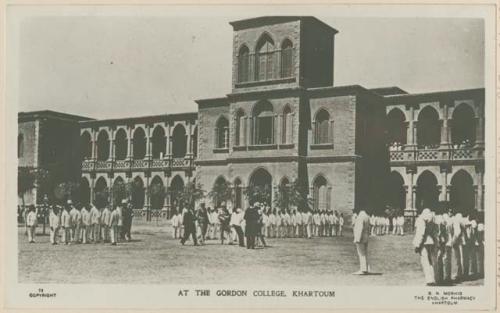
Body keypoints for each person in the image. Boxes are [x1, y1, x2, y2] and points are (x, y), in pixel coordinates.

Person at [413, 208, 438, 286]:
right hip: (432, 241)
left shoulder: (421, 220)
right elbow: (435, 232)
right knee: (431, 261)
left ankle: (429, 280)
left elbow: (421, 233)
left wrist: (417, 245)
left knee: (425, 261)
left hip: (424, 242)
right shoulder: (433, 220)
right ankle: (434, 278)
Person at [353, 208, 371, 275]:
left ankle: (363, 269)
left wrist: (357, 238)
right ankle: (366, 268)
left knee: (361, 253)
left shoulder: (360, 217)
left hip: (361, 237)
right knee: (365, 253)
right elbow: (369, 227)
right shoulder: (367, 216)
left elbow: (360, 228)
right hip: (366, 236)